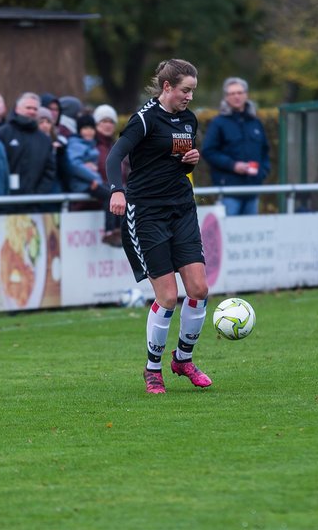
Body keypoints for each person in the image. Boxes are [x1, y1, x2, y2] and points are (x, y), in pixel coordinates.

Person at [106, 59, 212, 394]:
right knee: (167, 296)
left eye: (193, 91)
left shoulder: (187, 120)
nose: (189, 97)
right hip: (147, 213)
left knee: (198, 290)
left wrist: (190, 160)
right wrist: (117, 190)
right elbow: (114, 157)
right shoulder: (143, 120)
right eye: (185, 90)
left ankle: (183, 359)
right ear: (167, 87)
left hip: (181, 208)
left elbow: (174, 163)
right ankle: (153, 369)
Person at [203, 77, 271, 216]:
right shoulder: (218, 123)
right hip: (228, 191)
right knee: (228, 235)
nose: (236, 96)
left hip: (252, 191)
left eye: (239, 92)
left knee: (251, 234)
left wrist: (262, 172)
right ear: (226, 97)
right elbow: (208, 151)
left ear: (246, 94)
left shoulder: (255, 122)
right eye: (232, 93)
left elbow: (265, 151)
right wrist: (233, 165)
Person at [0, 91, 57, 196]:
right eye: (28, 108)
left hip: (34, 203)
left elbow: (49, 170)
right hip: (5, 201)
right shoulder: (2, 134)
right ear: (17, 109)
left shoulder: (44, 140)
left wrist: (39, 195)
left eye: (35, 109)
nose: (32, 112)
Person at [93, 104, 124, 244]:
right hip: (95, 198)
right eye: (103, 121)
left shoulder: (117, 146)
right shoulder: (90, 145)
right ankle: (111, 231)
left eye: (111, 121)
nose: (108, 125)